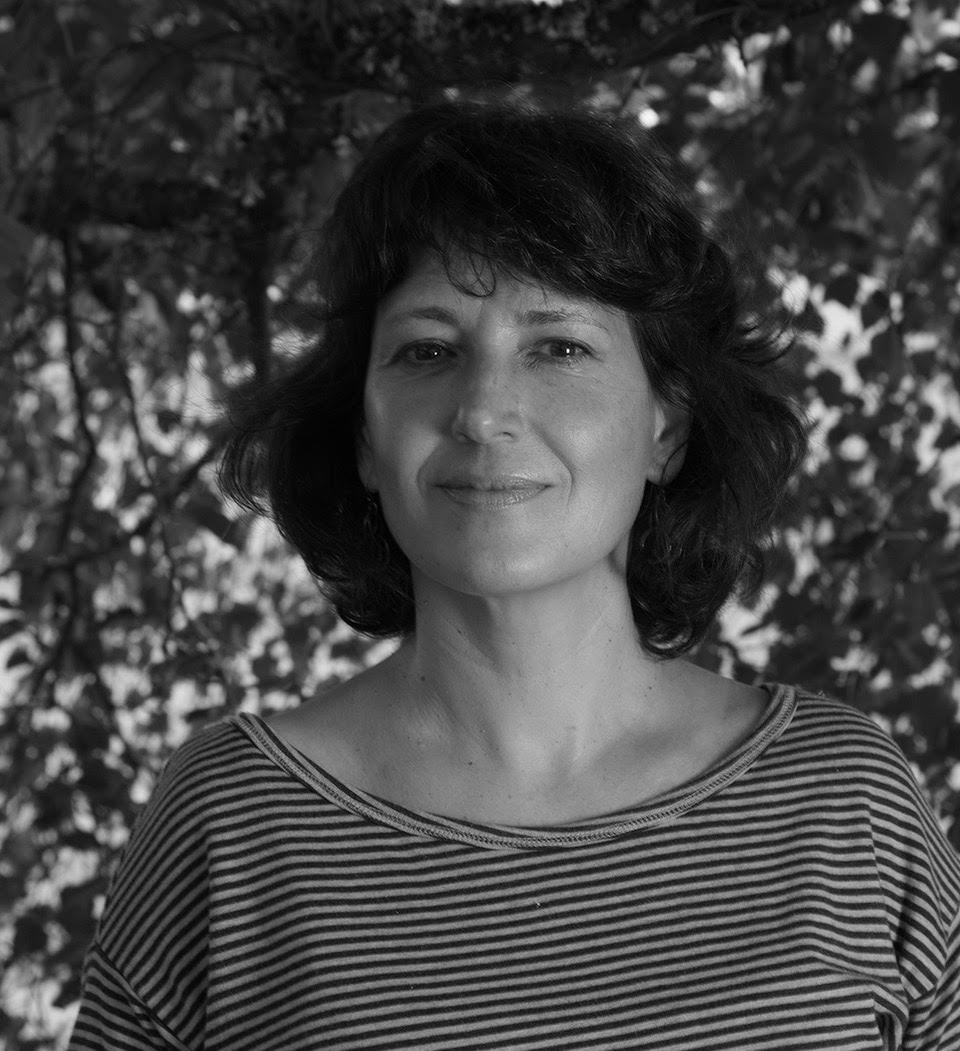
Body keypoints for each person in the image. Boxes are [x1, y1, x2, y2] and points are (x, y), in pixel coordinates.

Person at [69, 100, 960, 1050]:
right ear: (364, 436)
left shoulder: (844, 803)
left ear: (666, 426)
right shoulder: (231, 822)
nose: (484, 409)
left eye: (559, 347)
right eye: (428, 350)